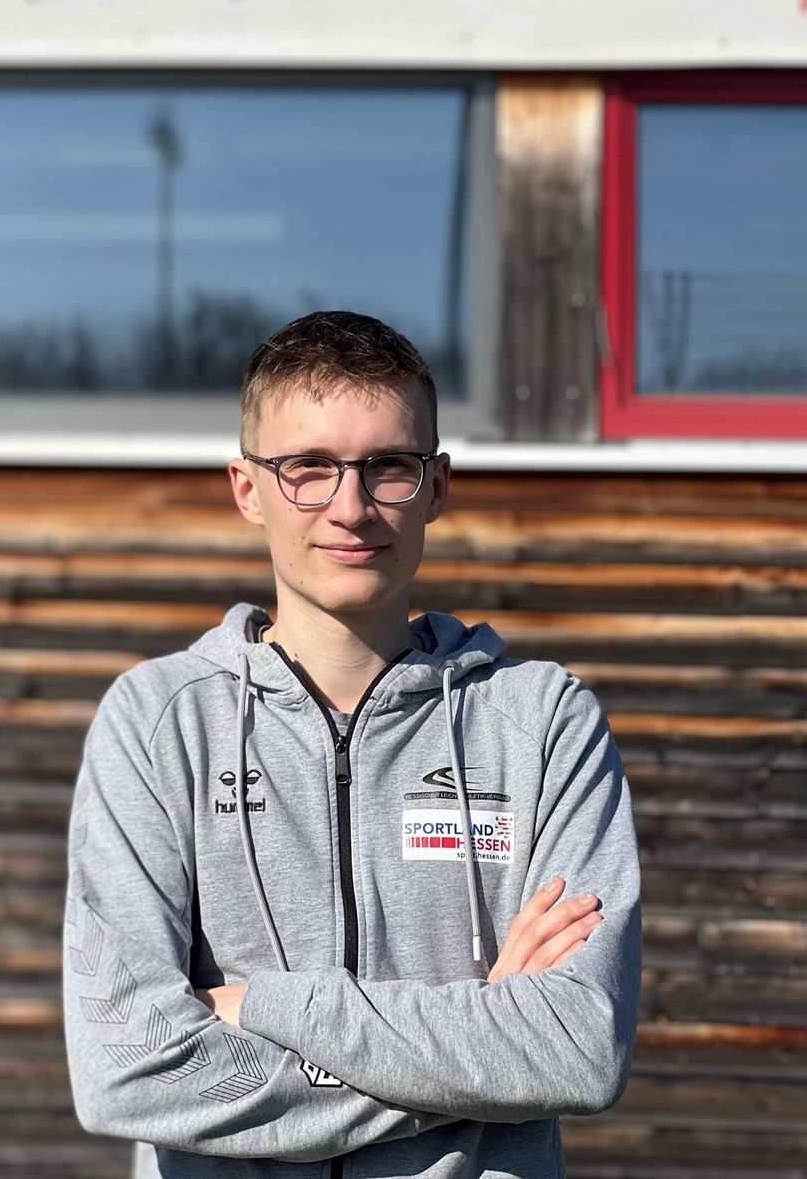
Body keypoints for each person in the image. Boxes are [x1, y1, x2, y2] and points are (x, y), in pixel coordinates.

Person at [62, 310, 643, 1179]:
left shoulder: (543, 722)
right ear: (247, 488)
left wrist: (266, 1009)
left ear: (436, 487)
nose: (351, 507)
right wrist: (482, 1058)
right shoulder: (158, 724)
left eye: (388, 467)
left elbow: (577, 1050)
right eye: (308, 468)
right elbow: (127, 1074)